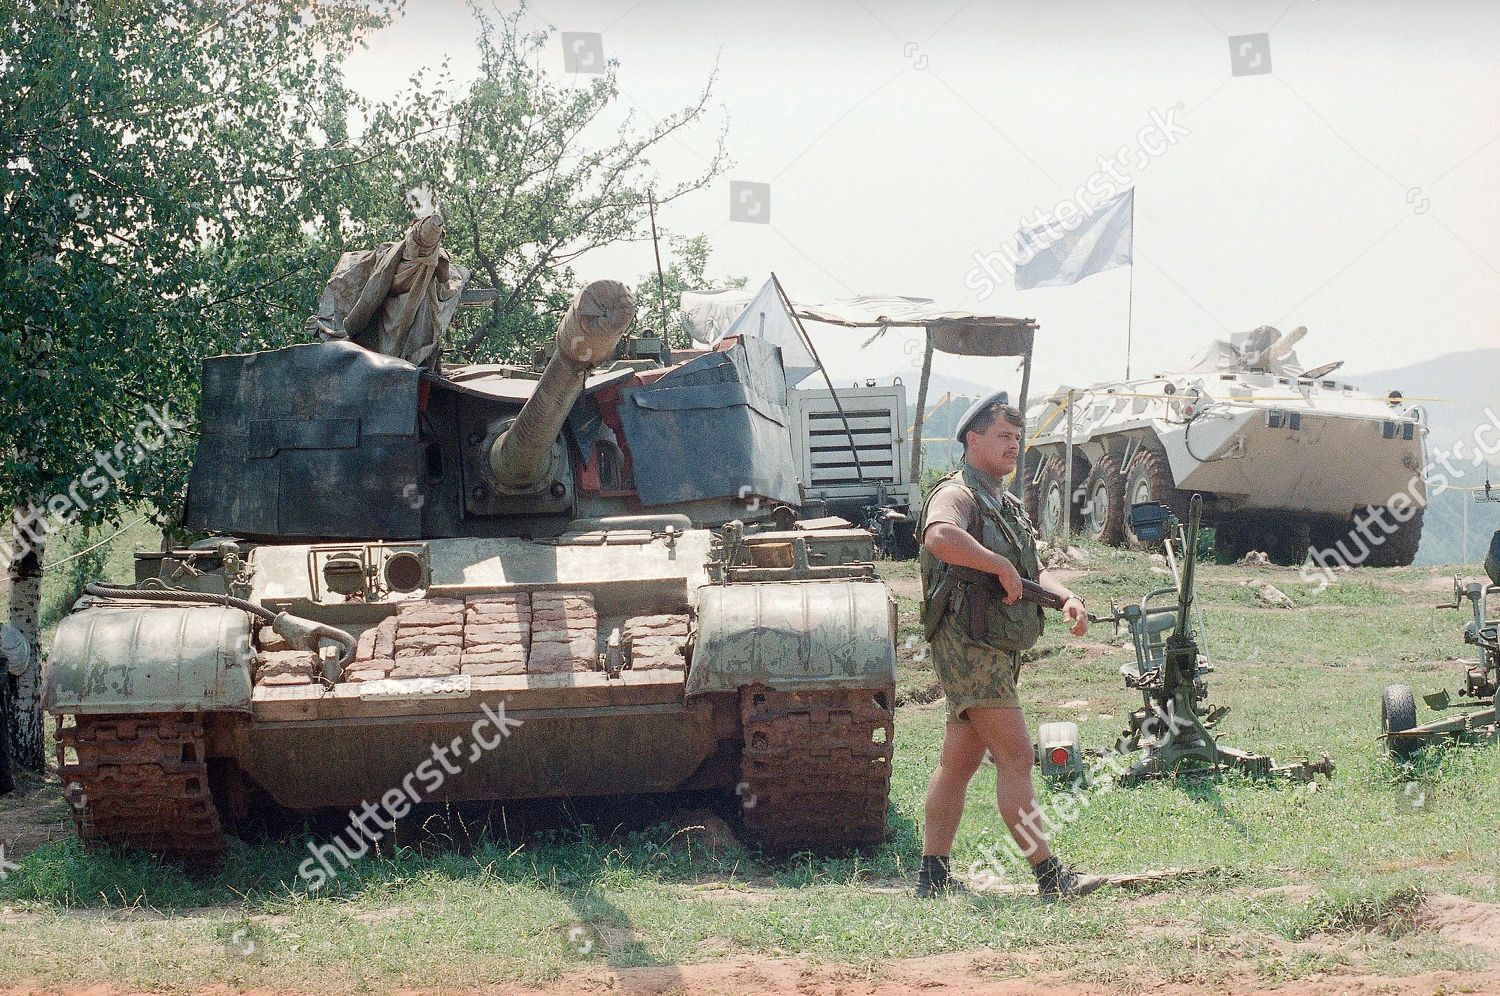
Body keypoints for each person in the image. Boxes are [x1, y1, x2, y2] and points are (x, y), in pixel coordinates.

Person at [914, 392, 1102, 900]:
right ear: (972, 440)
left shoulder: (1005, 502)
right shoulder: (957, 494)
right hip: (968, 644)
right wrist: (996, 565)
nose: (1013, 446)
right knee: (1017, 756)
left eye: (1017, 438)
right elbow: (940, 537)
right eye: (1002, 436)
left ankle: (932, 876)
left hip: (993, 643)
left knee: (959, 762)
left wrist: (1066, 598)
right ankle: (1050, 876)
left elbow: (1031, 571)